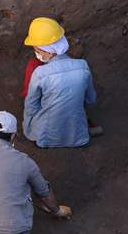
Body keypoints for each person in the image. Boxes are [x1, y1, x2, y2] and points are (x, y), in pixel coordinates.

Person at [22, 17, 101, 148]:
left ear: (46, 51)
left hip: (46, 136)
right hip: (77, 134)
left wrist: (29, 125)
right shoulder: (83, 66)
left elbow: (31, 106)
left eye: (37, 50)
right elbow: (91, 99)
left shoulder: (40, 73)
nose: (36, 53)